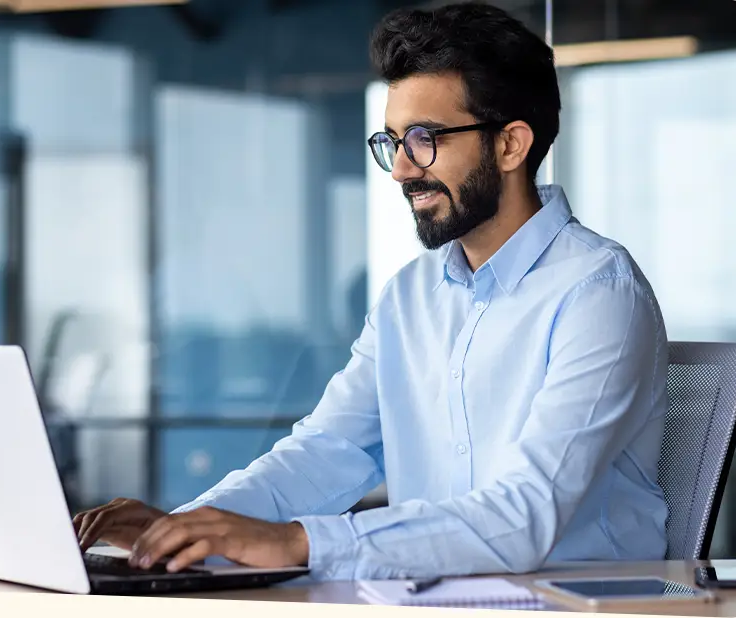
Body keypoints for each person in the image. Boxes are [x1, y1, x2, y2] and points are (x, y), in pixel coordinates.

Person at [73, 1, 670, 581]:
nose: (403, 169)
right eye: (392, 142)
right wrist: (183, 529)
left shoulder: (598, 292)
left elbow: (525, 515)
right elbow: (328, 451)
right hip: (435, 596)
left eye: (424, 139)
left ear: (510, 144)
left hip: (580, 603)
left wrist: (295, 542)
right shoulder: (411, 296)